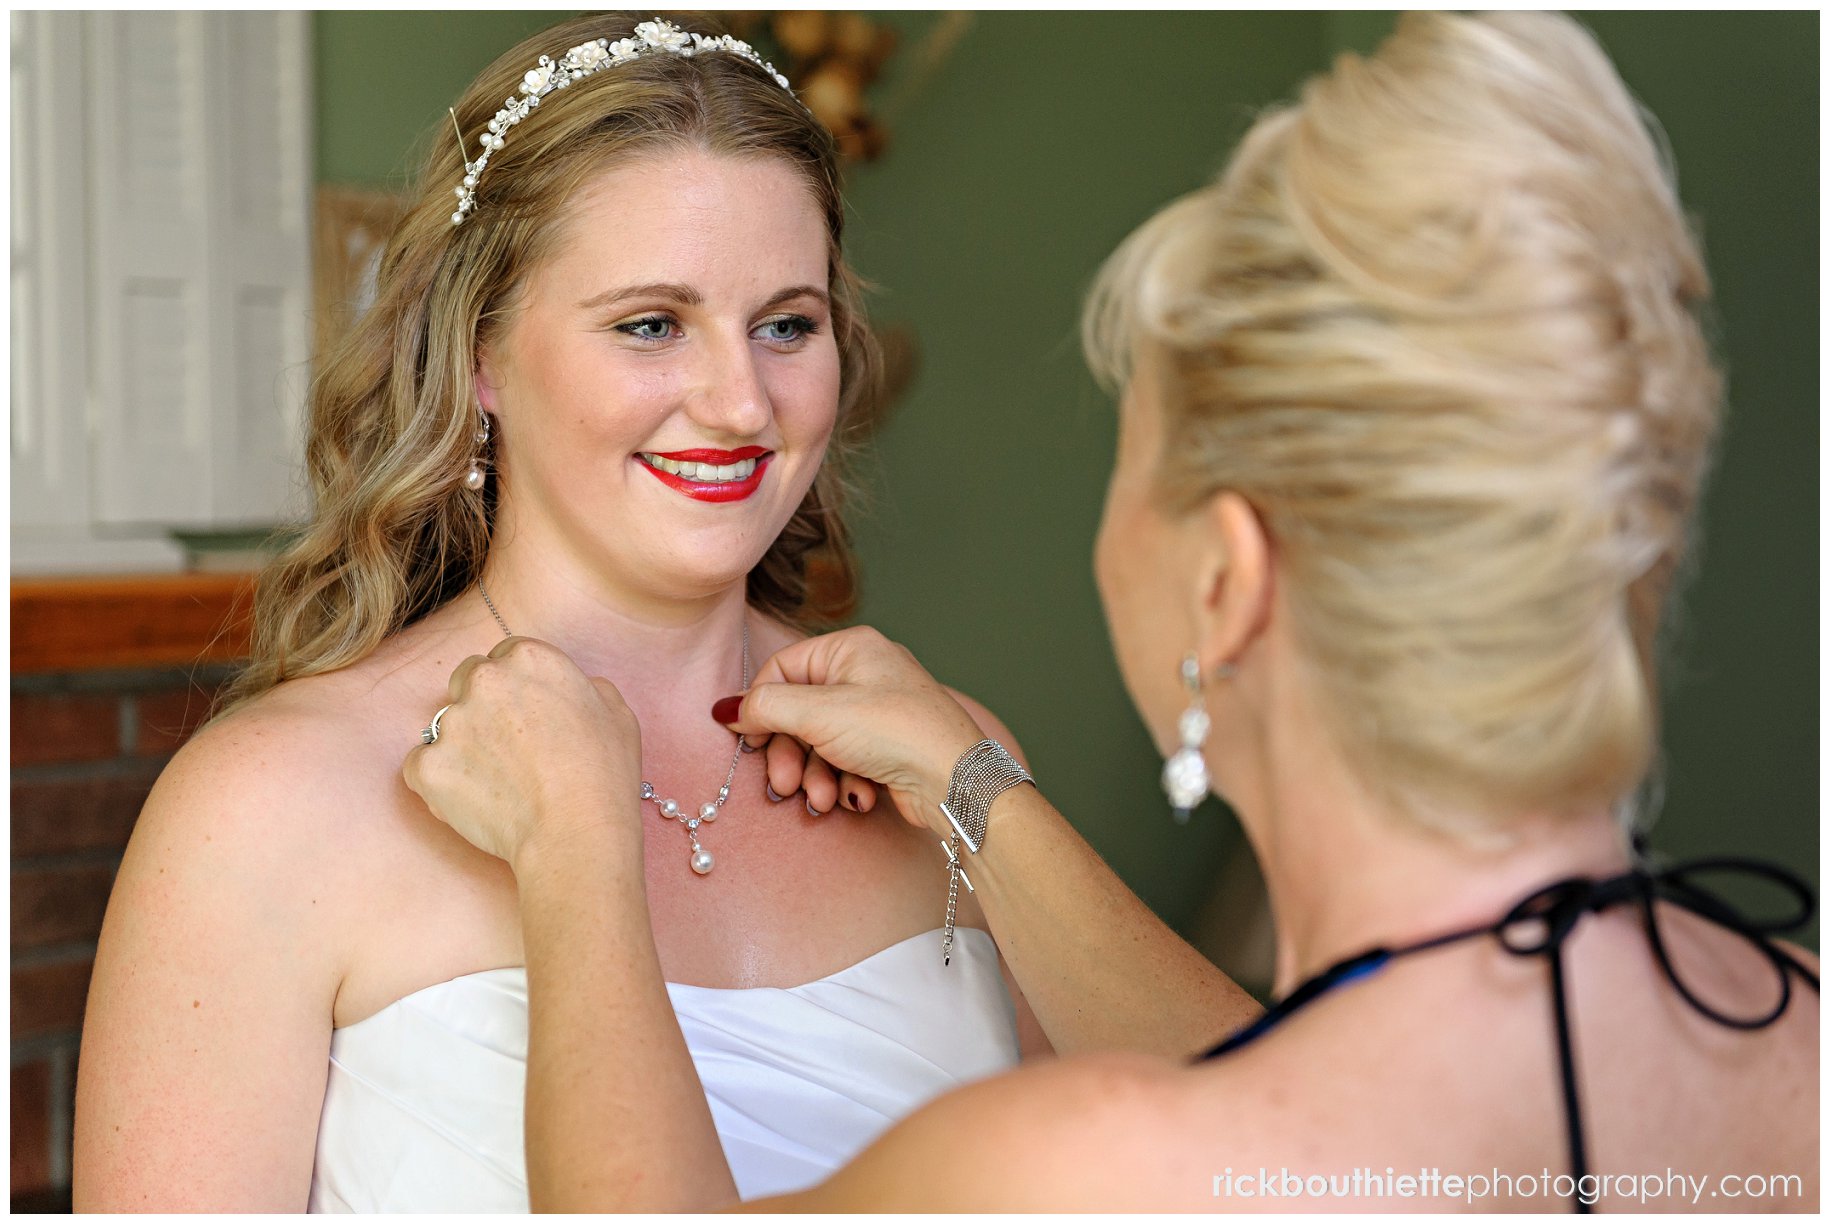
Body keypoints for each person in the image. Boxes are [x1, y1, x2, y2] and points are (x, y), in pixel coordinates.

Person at [407, 11, 1819, 1213]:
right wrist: (973, 787)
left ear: (1227, 577)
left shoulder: (1079, 1163)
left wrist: (580, 862)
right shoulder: (1789, 1025)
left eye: (1125, 462)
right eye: (651, 322)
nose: (738, 394)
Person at [71, 13, 1261, 1212]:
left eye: (785, 325)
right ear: (480, 355)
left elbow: (1257, 1157)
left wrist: (973, 776)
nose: (742, 401)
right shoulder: (266, 811)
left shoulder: (947, 770)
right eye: (651, 324)